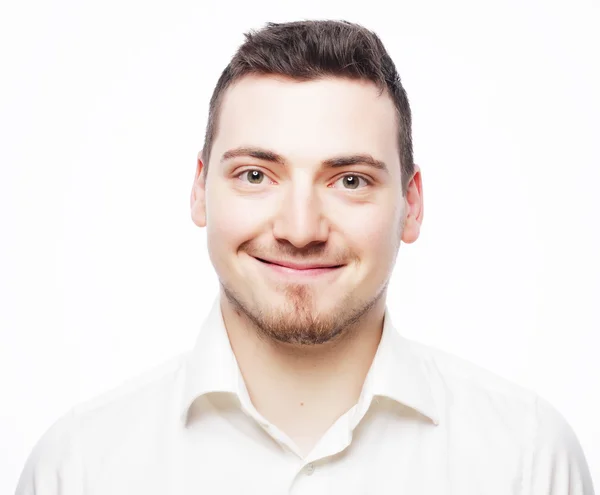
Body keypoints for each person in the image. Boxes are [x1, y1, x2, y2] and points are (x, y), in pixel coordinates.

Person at [15, 19, 595, 495]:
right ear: (199, 190)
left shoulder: (528, 462)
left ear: (412, 205)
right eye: (255, 174)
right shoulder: (79, 470)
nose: (299, 229)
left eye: (348, 180)